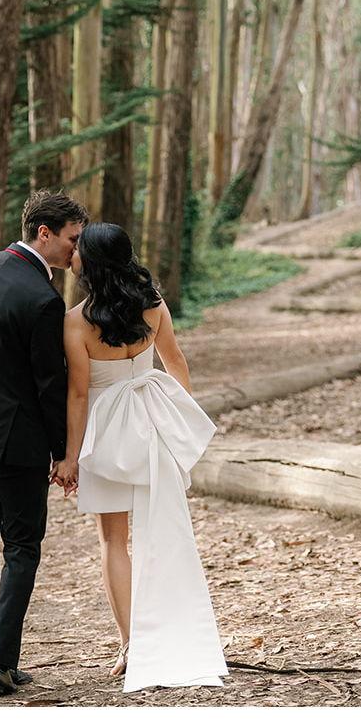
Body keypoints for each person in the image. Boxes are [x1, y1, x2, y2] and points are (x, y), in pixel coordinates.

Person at [55, 221, 228, 693]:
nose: (71, 256)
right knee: (166, 532)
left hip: (107, 430)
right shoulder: (153, 306)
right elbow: (176, 362)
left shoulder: (76, 321)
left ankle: (133, 644)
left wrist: (70, 456)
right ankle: (169, 634)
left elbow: (76, 394)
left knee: (114, 541)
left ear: (89, 264)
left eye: (78, 252)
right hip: (152, 422)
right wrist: (177, 421)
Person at [0, 188, 88, 696]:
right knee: (23, 546)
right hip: (16, 440)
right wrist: (61, 452)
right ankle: (1, 664)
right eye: (71, 240)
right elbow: (50, 386)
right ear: (43, 233)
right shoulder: (43, 300)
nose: (76, 252)